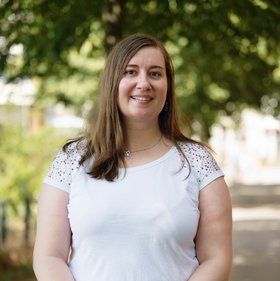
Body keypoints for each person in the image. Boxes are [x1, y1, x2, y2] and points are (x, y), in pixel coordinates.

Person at [33, 34, 232, 281]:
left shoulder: (199, 163)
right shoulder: (71, 161)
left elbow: (217, 259)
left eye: (155, 73)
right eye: (130, 72)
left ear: (168, 87)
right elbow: (49, 257)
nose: (143, 83)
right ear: (112, 83)